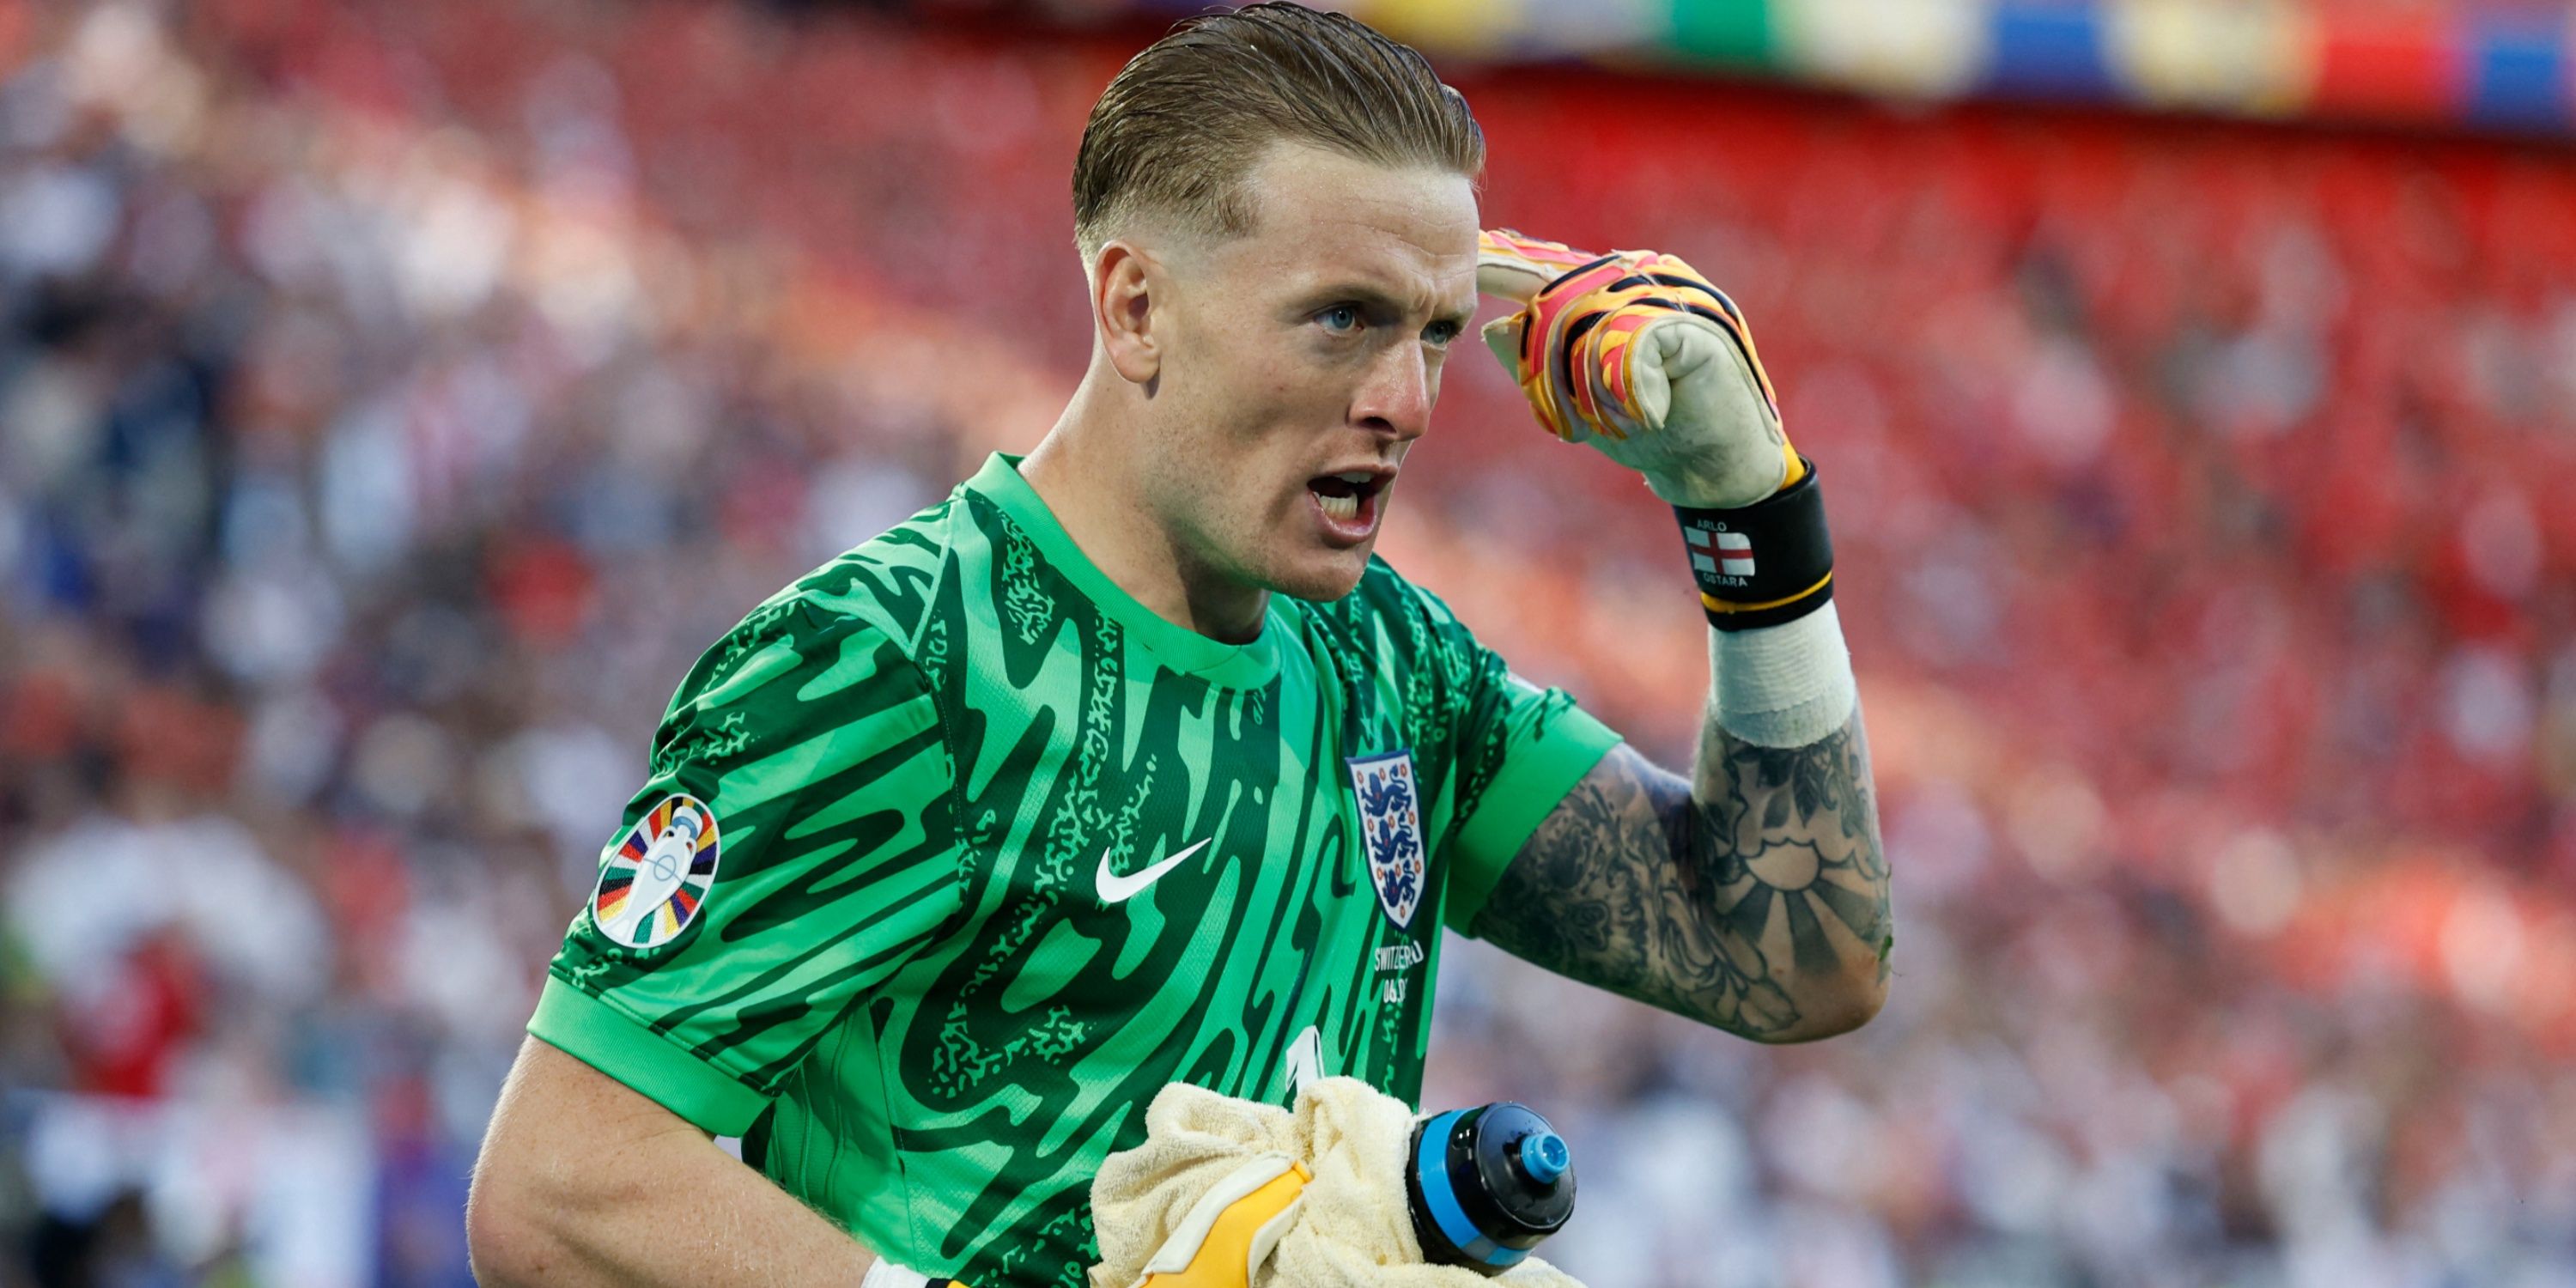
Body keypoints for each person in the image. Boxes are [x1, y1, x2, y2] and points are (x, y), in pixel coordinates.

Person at [465, 5, 1891, 1286]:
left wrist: (1743, 508)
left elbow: (1796, 958)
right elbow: (566, 1185)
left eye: (1438, 332)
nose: (1406, 399)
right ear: (1135, 307)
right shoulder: (895, 659)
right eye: (1344, 318)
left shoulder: (1393, 662)